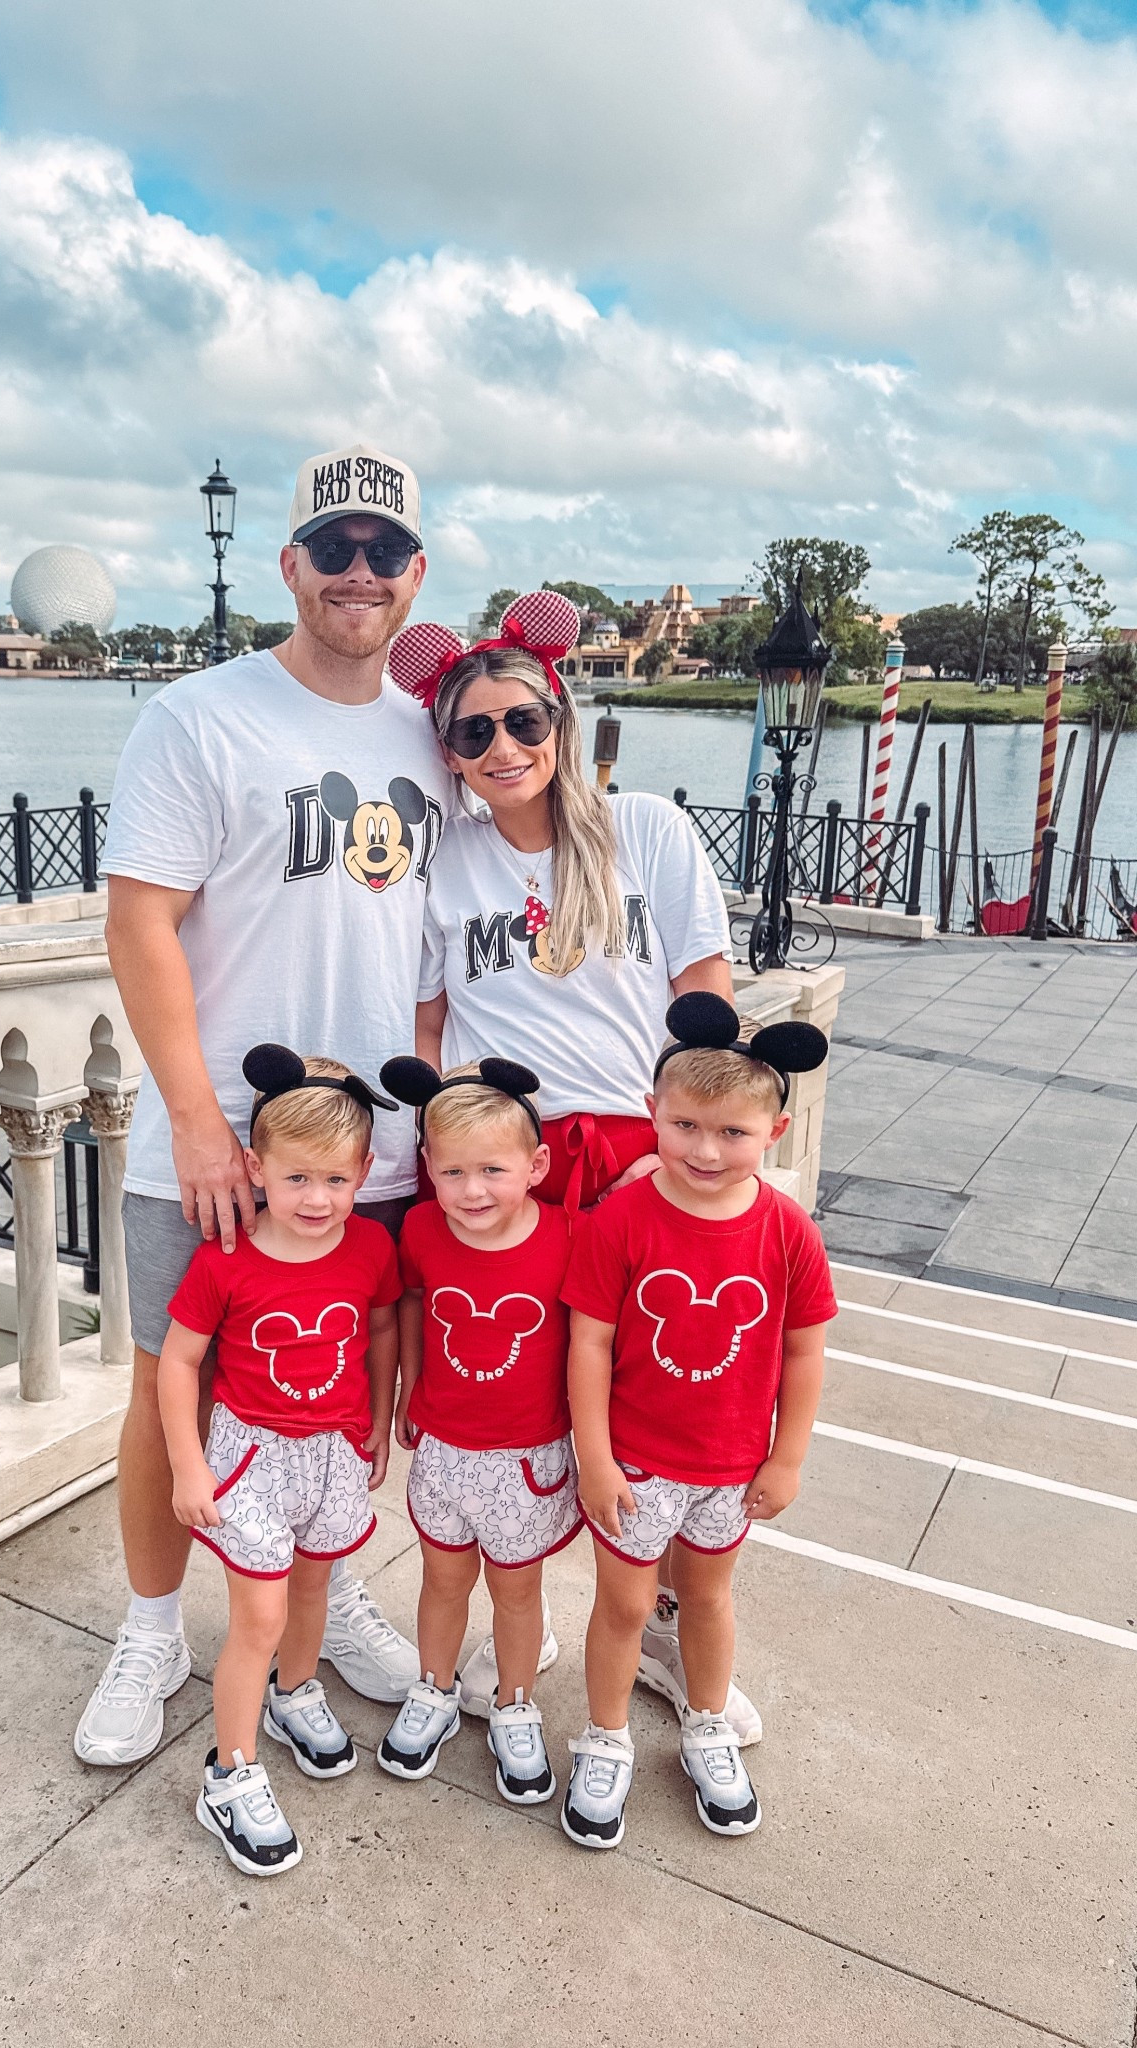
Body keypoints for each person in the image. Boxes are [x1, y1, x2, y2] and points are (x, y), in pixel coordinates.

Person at [78, 444, 452, 1770]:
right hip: (225, 1138)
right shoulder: (198, 716)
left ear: (416, 576)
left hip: (381, 1148)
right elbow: (142, 924)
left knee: (345, 1384)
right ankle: (150, 1628)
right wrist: (191, 1115)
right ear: (290, 564)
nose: (358, 573)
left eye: (384, 552)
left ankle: (328, 1593)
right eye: (333, 548)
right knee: (165, 1389)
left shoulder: (436, 736)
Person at [387, 591, 759, 1743]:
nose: (502, 748)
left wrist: (704, 1154)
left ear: (560, 717)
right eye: (473, 732)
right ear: (447, 747)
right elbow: (429, 1028)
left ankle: (654, 1625)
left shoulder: (644, 829)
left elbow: (703, 993)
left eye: (523, 723)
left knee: (657, 1398)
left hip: (643, 1160)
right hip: (523, 1163)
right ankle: (525, 1607)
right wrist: (436, 1150)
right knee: (537, 1387)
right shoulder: (445, 864)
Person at [559, 994, 836, 1849]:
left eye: (732, 1133)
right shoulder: (623, 1221)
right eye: (684, 1126)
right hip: (636, 1464)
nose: (705, 1151)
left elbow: (803, 1353)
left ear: (774, 1133)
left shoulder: (787, 1231)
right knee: (624, 1603)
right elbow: (591, 1346)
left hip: (729, 1465)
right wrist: (595, 1458)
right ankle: (604, 1739)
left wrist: (786, 1459)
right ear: (653, 1116)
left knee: (709, 1598)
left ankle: (707, 1723)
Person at [159, 1046, 401, 1876]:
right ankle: (230, 1773)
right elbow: (178, 1362)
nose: (317, 1198)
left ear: (365, 1170)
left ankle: (294, 1694)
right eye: (297, 1179)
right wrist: (189, 1467)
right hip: (252, 1457)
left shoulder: (369, 1247)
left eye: (336, 1180)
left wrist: (379, 1414)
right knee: (257, 1618)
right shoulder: (226, 1258)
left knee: (313, 1590)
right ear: (257, 1166)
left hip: (332, 1453)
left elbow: (378, 1329)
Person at [373, 1056, 579, 1804]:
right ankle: (434, 1688)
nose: (472, 1190)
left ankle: (514, 1703)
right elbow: (413, 1308)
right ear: (427, 1166)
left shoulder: (565, 1235)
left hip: (528, 1455)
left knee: (518, 1594)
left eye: (492, 1169)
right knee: (442, 1579)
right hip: (445, 1449)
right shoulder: (423, 1229)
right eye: (453, 1171)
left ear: (536, 1165)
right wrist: (407, 1389)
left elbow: (591, 1342)